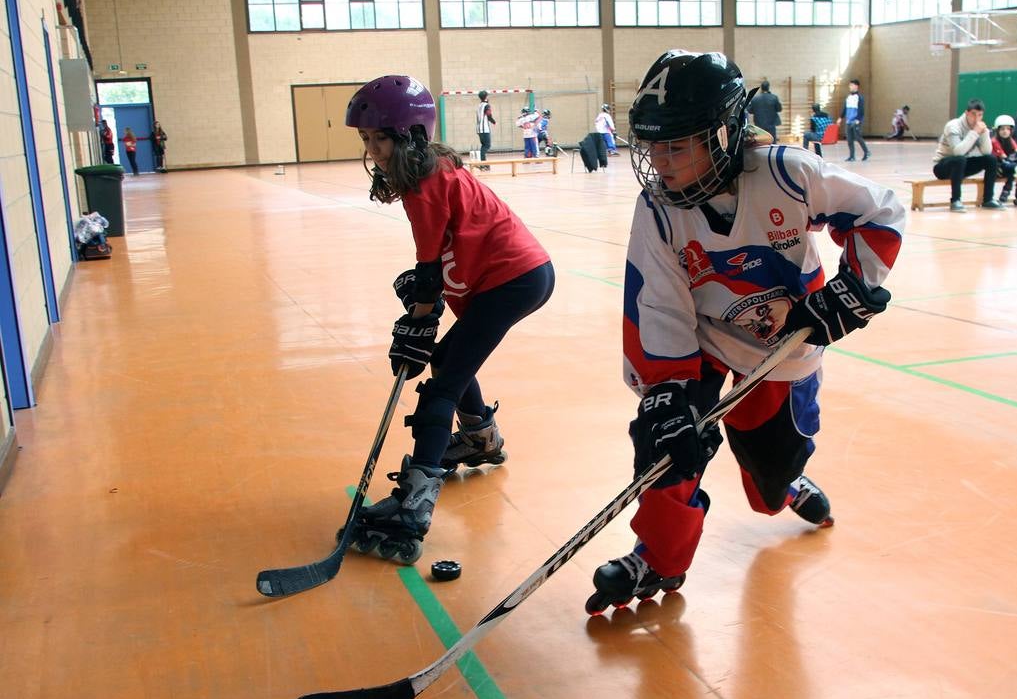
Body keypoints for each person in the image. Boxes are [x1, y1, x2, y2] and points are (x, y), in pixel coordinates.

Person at [585, 50, 904, 615]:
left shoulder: (787, 172)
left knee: (768, 488)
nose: (660, 161)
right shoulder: (657, 208)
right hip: (704, 339)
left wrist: (849, 291)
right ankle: (658, 556)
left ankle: (788, 483)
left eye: (676, 145)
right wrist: (667, 394)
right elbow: (657, 301)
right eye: (653, 145)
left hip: (783, 346)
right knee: (665, 444)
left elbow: (879, 212)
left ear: (725, 133)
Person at [340, 75, 554, 563]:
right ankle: (479, 436)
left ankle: (413, 506)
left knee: (443, 384)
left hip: (512, 280)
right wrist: (422, 314)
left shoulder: (425, 183)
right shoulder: (430, 170)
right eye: (367, 140)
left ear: (410, 133)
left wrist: (418, 317)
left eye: (381, 138)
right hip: (506, 278)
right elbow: (433, 269)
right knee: (446, 358)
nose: (374, 150)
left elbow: (429, 267)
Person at [932, 99, 1001, 213]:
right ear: (966, 113)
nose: (976, 118)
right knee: (960, 159)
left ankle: (988, 199)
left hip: (961, 166)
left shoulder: (979, 128)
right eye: (973, 114)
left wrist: (984, 133)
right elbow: (958, 152)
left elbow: (987, 151)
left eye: (980, 115)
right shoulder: (953, 126)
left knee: (991, 159)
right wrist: (974, 132)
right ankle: (955, 200)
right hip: (942, 167)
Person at [842, 79, 870, 161]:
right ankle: (852, 156)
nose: (850, 87)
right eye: (849, 85)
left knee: (858, 137)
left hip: (856, 121)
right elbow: (845, 108)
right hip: (848, 121)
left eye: (851, 85)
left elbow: (861, 110)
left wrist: (858, 119)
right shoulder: (848, 97)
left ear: (856, 86)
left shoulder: (859, 98)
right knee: (849, 139)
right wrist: (841, 117)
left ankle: (866, 151)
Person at [474, 90, 495, 164]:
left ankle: (483, 163)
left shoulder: (479, 105)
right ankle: (483, 164)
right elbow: (488, 114)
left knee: (484, 145)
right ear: (486, 97)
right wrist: (493, 121)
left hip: (479, 129)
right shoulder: (486, 105)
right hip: (484, 129)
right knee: (486, 146)